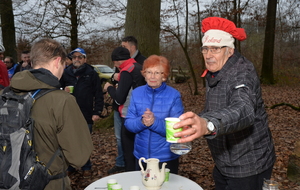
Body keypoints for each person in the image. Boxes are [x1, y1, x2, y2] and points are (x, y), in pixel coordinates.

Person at [173, 17, 276, 190]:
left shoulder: (243, 72)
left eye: (215, 49)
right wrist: (195, 122)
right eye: (205, 49)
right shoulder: (214, 72)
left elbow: (244, 109)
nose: (208, 55)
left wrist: (208, 124)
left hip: (249, 165)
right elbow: (217, 107)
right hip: (223, 162)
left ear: (230, 51)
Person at [1, 38, 93, 190]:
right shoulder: (62, 100)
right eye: (64, 65)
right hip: (50, 183)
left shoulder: (5, 94)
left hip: (9, 180)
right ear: (57, 61)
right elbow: (79, 157)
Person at [124, 55, 184, 174]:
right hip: (141, 157)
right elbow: (128, 123)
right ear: (144, 74)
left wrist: (154, 122)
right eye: (149, 72)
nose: (152, 76)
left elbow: (176, 130)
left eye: (157, 73)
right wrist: (142, 122)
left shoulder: (174, 96)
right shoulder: (136, 93)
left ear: (164, 76)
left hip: (166, 158)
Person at [60, 47, 104, 178]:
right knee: (69, 141)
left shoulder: (91, 73)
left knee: (84, 141)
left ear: (85, 59)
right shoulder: (65, 72)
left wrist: (97, 112)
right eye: (74, 57)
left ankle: (86, 166)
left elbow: (98, 94)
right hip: (68, 114)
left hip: (86, 113)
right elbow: (56, 89)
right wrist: (63, 90)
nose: (77, 59)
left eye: (80, 57)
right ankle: (71, 166)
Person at [103, 47, 145, 172]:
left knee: (128, 148)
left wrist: (109, 88)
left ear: (117, 61)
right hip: (140, 113)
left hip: (127, 115)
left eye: (114, 62)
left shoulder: (126, 71)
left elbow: (119, 99)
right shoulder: (137, 66)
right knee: (137, 146)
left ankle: (130, 174)